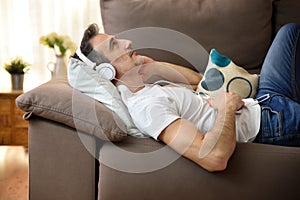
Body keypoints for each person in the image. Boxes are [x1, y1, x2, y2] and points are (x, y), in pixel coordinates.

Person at [73, 23, 300, 172]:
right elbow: (213, 158)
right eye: (115, 45)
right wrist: (227, 108)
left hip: (264, 99)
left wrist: (156, 67)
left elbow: (198, 81)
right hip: (271, 124)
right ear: (106, 72)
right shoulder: (147, 108)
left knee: (289, 32)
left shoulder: (147, 90)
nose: (128, 43)